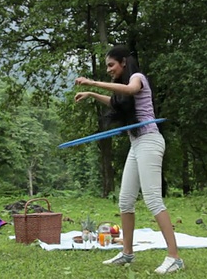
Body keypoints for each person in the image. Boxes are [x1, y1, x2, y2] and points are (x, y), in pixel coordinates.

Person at [74, 45, 184, 274]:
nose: (108, 70)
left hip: (150, 140)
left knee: (153, 200)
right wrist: (93, 95)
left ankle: (174, 257)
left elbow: (131, 90)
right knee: (125, 201)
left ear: (123, 62)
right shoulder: (121, 88)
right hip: (137, 144)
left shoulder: (137, 78)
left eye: (111, 65)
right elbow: (116, 101)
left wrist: (92, 82)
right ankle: (127, 253)